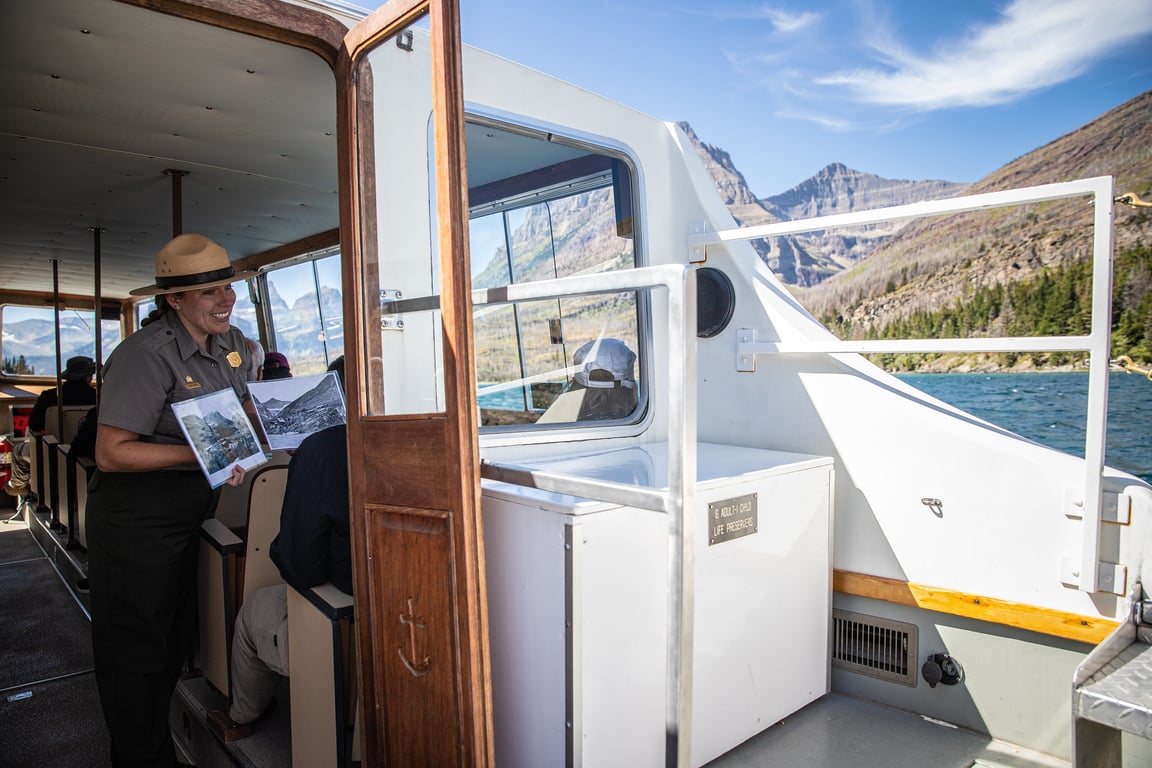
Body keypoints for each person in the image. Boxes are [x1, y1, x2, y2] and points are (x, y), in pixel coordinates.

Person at [86, 233, 258, 768]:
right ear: (173, 302)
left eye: (227, 286)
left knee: (172, 641)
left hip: (192, 511)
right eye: (208, 293)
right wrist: (203, 456)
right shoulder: (145, 355)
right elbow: (112, 453)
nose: (225, 299)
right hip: (136, 519)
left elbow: (237, 421)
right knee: (136, 655)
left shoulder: (233, 350)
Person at [213, 356, 349, 737]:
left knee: (254, 607)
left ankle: (241, 716)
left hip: (343, 628)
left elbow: (300, 567)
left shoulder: (319, 451)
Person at [4, 356, 98, 498]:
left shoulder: (49, 396)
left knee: (18, 451)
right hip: (87, 450)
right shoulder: (97, 397)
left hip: (52, 451)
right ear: (88, 377)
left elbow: (34, 425)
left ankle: (18, 487)